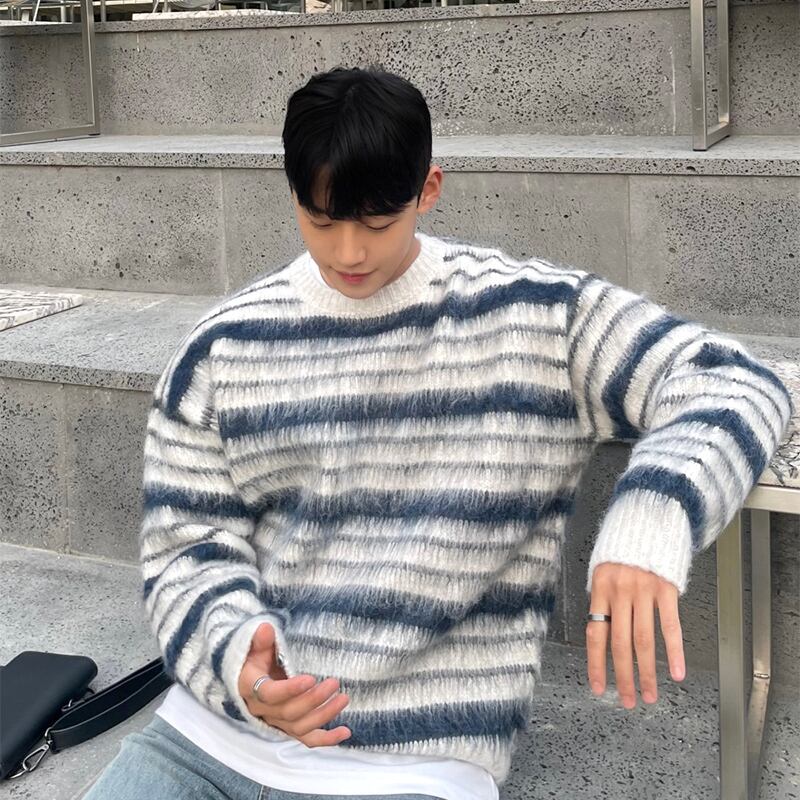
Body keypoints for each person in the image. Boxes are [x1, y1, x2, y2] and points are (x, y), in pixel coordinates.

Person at [83, 66, 794, 800]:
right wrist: (236, 662)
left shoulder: (531, 315)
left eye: (377, 223)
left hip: (415, 762)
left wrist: (650, 523)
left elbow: (734, 380)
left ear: (428, 189)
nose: (349, 252)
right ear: (293, 193)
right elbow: (186, 546)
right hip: (208, 740)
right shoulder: (223, 347)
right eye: (322, 221)